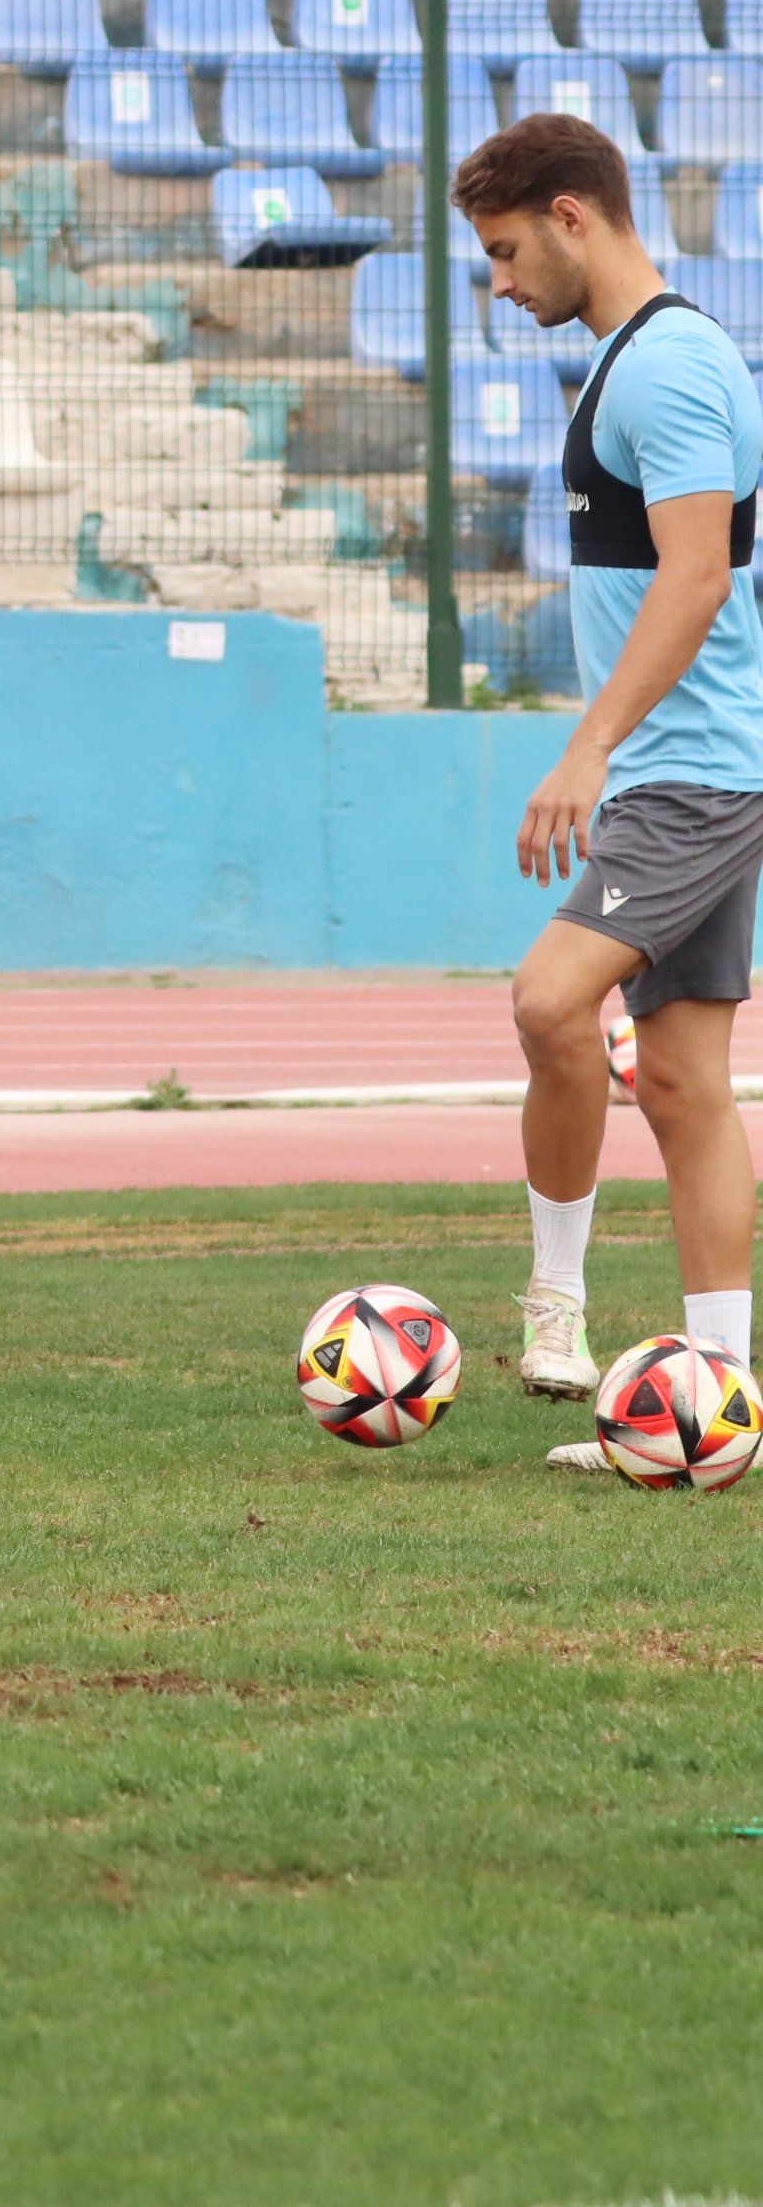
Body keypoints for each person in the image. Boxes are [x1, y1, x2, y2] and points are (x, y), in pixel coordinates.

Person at [447, 118, 763, 1473]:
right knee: (689, 1081)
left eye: (508, 252)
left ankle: (556, 1311)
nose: (501, 285)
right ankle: (718, 1400)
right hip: (685, 766)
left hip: (687, 776)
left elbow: (697, 576)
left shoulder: (675, 365)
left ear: (573, 216)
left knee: (546, 996)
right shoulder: (628, 363)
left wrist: (588, 747)